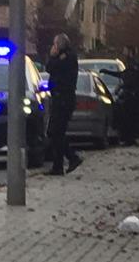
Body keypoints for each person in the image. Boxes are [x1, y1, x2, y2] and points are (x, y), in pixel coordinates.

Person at [45, 33, 83, 175]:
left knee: (56, 132)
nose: (53, 47)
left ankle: (72, 157)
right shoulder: (61, 57)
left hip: (64, 99)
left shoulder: (68, 57)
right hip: (58, 98)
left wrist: (54, 56)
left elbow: (54, 68)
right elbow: (48, 68)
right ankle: (59, 165)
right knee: (56, 133)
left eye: (55, 44)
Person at [100, 46, 139, 146]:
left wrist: (123, 85)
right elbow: (123, 75)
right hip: (131, 95)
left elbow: (131, 78)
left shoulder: (135, 64)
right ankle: (131, 138)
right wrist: (107, 72)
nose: (123, 52)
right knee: (130, 118)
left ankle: (137, 138)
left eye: (125, 51)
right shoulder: (130, 64)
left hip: (134, 96)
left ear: (130, 52)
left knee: (134, 118)